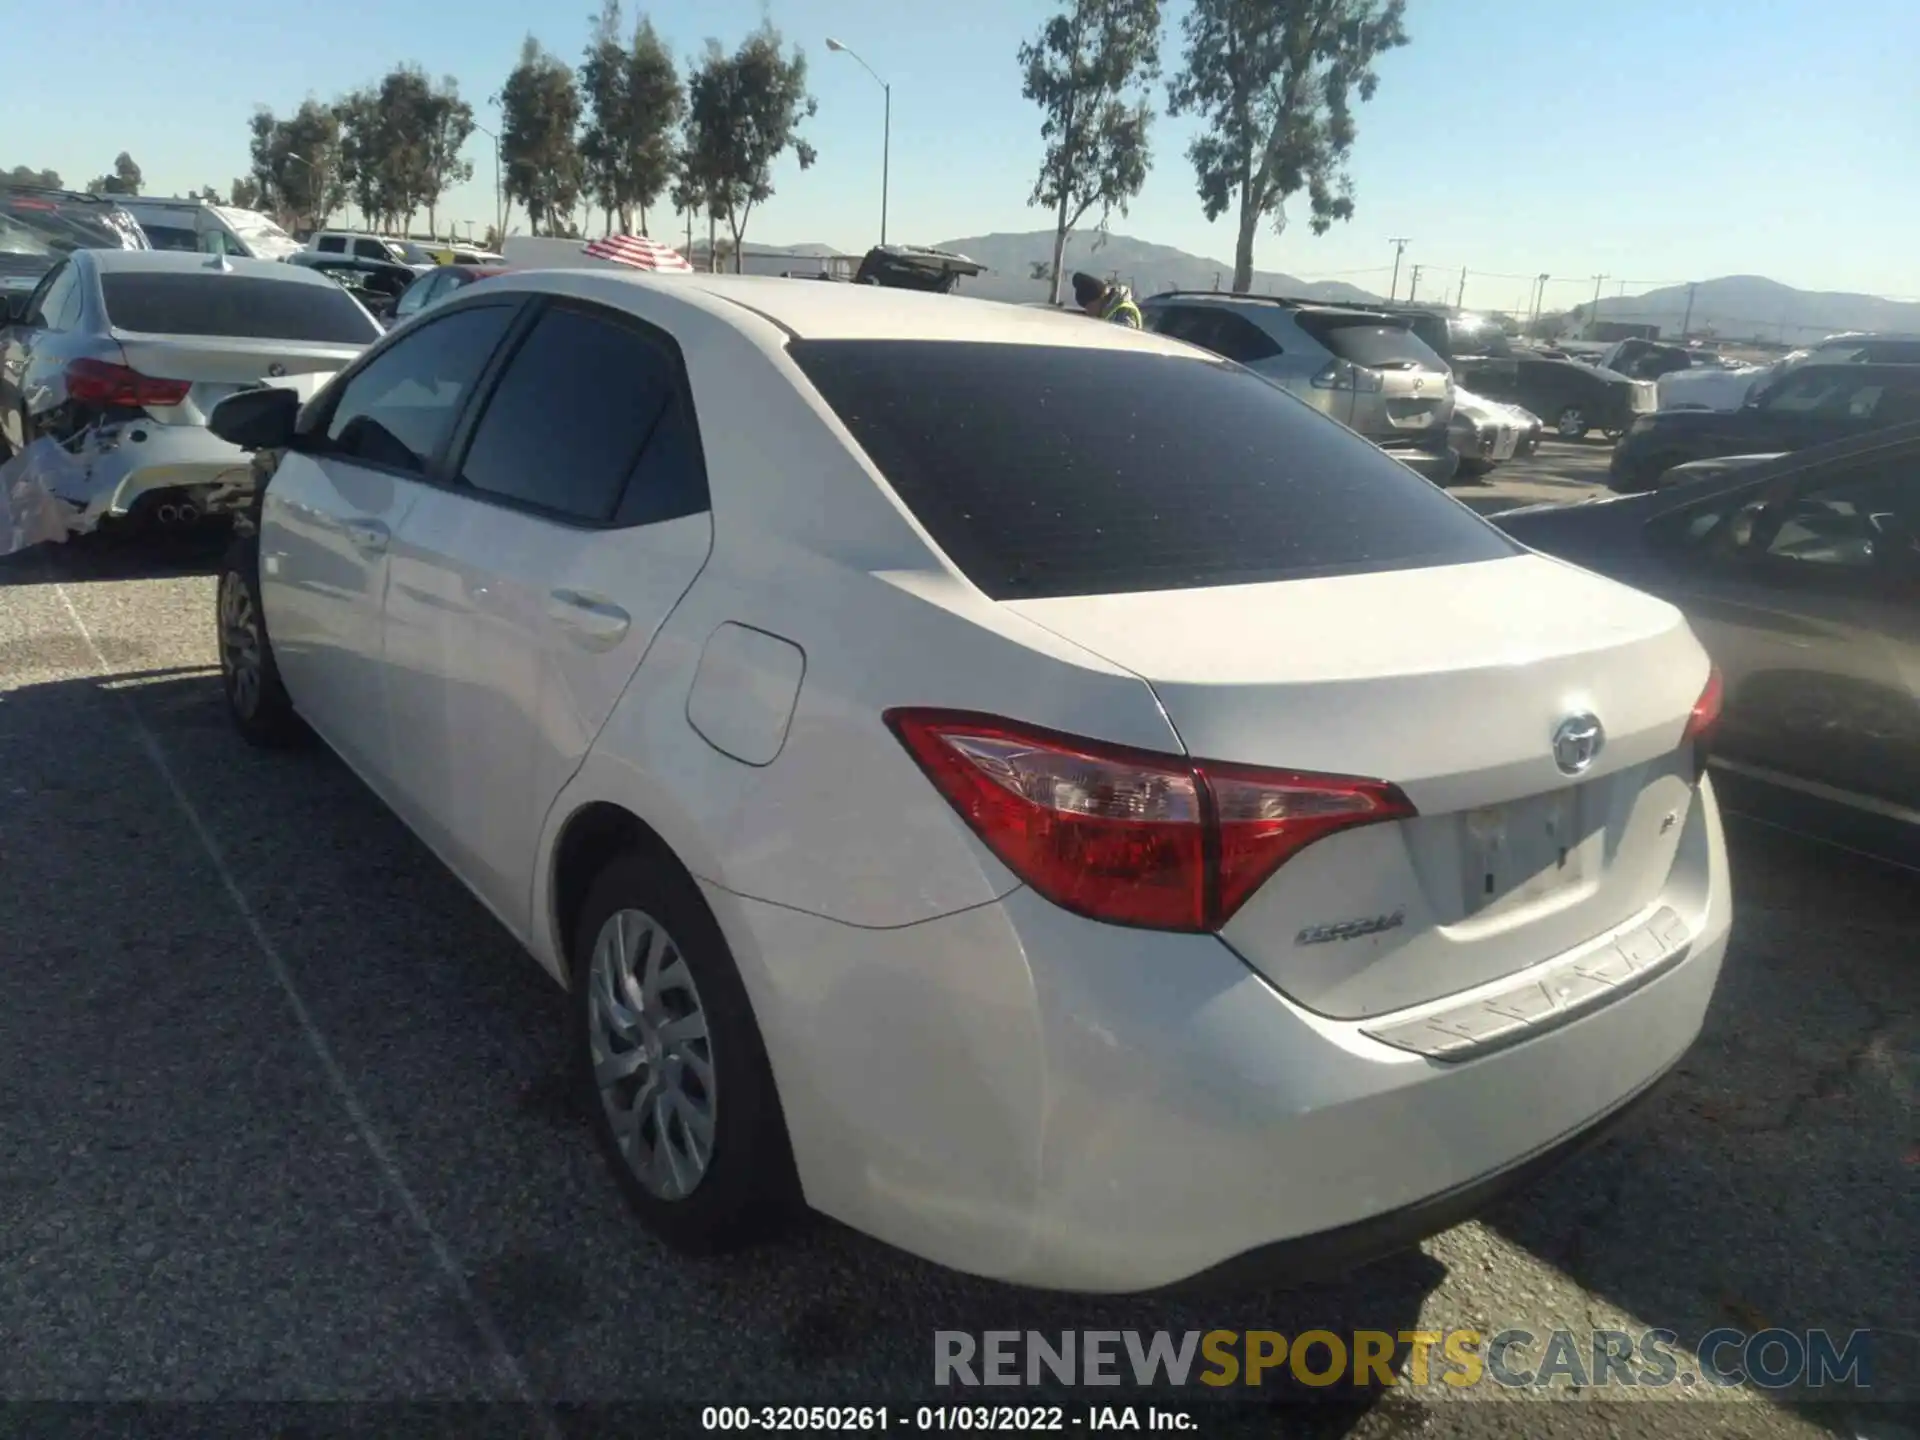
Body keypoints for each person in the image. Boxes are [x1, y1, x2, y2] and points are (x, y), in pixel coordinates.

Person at [1071, 271, 1142, 328]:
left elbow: (1124, 341)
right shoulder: (1107, 313)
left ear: (1100, 298)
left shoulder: (1124, 312)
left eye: (1089, 306)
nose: (1088, 312)